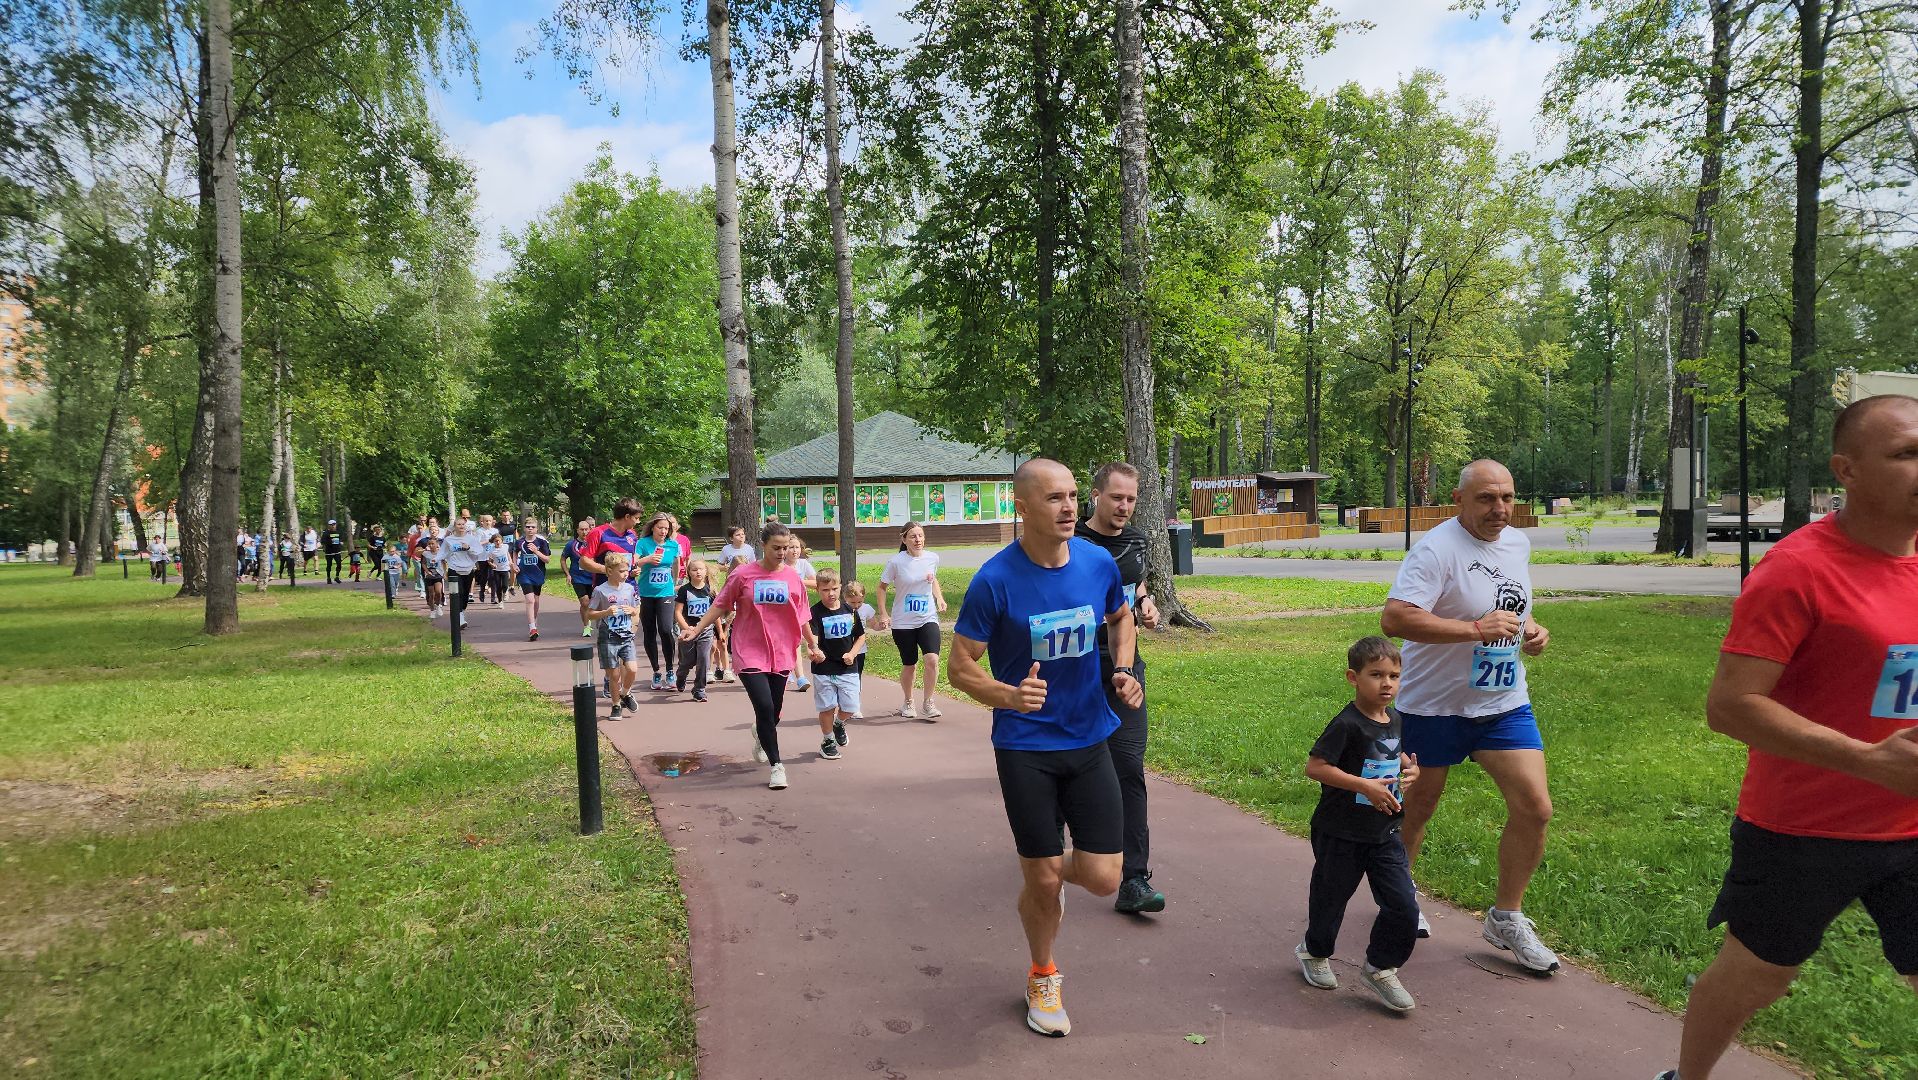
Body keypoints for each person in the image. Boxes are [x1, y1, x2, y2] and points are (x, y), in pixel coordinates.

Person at [1657, 396, 1918, 1080]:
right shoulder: (1799, 569)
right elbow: (1732, 706)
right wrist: (1866, 761)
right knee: (1760, 976)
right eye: (1906, 454)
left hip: (1913, 824)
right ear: (1848, 470)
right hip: (1804, 828)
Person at [947, 458, 1143, 1039]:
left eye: (1072, 497)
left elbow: (1121, 616)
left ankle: (1045, 876)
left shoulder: (1096, 561)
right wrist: (1007, 693)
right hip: (1025, 746)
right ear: (1023, 508)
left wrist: (1124, 670)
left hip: (1089, 737)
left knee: (1106, 878)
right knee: (1044, 881)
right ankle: (1043, 974)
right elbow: (960, 667)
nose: (1066, 508)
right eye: (1053, 498)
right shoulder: (994, 580)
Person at [1381, 459, 1557, 972]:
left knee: (1535, 808)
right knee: (1417, 809)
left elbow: (1508, 606)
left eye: (1506, 497)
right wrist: (1476, 630)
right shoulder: (1436, 549)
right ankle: (1400, 899)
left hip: (1501, 704)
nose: (1499, 509)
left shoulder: (1517, 544)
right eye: (1486, 498)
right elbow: (1395, 618)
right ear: (1459, 500)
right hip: (1432, 704)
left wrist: (1531, 629)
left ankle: (1507, 915)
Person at [1296, 635, 1423, 1013]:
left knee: (1403, 905)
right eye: (1376, 675)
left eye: (1394, 676)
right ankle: (1314, 951)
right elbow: (1315, 767)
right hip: (1341, 832)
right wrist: (1364, 786)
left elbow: (1392, 748)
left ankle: (1381, 967)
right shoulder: (1346, 724)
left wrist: (1409, 768)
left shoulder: (1395, 717)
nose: (1387, 684)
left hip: (1384, 831)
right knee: (1330, 900)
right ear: (1354, 678)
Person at [1075, 462, 1167, 914]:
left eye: (1131, 499)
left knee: (1128, 765)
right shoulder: (1071, 541)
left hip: (1124, 667)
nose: (1124, 507)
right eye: (1116, 498)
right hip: (1073, 669)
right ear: (1096, 496)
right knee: (1070, 759)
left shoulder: (1137, 540)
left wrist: (1145, 603)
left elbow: (1136, 585)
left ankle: (1134, 879)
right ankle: (1054, 834)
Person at [680, 523, 817, 790]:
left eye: (786, 548)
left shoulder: (792, 578)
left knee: (773, 712)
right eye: (776, 548)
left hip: (781, 651)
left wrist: (812, 645)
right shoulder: (743, 575)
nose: (781, 552)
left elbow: (802, 616)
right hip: (749, 649)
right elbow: (720, 604)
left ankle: (761, 732)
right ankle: (777, 766)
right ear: (763, 546)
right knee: (764, 707)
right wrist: (696, 629)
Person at [876, 522, 949, 719]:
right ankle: (908, 701)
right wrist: (883, 613)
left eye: (920, 536)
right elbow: (881, 587)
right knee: (910, 664)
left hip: (928, 617)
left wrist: (939, 598)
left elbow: (932, 579)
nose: (918, 540)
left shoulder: (932, 558)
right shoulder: (896, 562)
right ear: (904, 540)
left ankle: (928, 702)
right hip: (903, 622)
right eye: (913, 537)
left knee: (932, 659)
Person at [808, 567, 867, 760]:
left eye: (834, 589)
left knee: (850, 706)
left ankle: (839, 723)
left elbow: (860, 636)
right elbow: (812, 638)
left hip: (847, 667)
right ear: (818, 590)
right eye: (825, 590)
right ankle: (827, 741)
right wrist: (814, 651)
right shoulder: (815, 612)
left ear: (840, 588)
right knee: (827, 707)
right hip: (823, 669)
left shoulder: (849, 610)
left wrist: (852, 653)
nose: (830, 593)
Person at [579, 499, 643, 641]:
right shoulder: (599, 533)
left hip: (629, 588)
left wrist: (634, 569)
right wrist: (608, 571)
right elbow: (584, 561)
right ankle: (613, 661)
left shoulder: (632, 535)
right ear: (627, 517)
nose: (638, 522)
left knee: (629, 635)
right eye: (636, 518)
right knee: (610, 637)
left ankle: (625, 661)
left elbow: (631, 561)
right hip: (606, 592)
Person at [588, 552, 642, 719]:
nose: (626, 574)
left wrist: (632, 612)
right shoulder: (600, 590)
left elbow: (636, 608)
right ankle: (616, 705)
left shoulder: (630, 588)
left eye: (627, 570)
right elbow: (589, 614)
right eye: (621, 571)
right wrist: (605, 612)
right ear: (609, 571)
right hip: (608, 637)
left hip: (626, 635)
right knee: (614, 675)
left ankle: (625, 693)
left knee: (632, 669)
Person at [635, 512, 683, 690]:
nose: (664, 531)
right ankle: (656, 671)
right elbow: (634, 563)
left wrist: (676, 582)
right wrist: (647, 559)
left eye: (666, 528)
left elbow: (677, 562)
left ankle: (670, 669)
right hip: (646, 593)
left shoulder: (673, 545)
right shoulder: (643, 543)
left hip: (666, 593)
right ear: (652, 527)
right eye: (660, 527)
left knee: (666, 629)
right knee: (649, 632)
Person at [674, 558, 717, 702]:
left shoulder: (710, 590)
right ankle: (681, 676)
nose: (698, 572)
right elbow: (678, 612)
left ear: (706, 571)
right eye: (694, 569)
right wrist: (686, 628)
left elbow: (714, 612)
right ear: (689, 573)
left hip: (705, 631)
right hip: (688, 631)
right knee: (687, 662)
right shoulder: (685, 590)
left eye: (701, 569)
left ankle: (699, 689)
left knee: (703, 660)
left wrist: (720, 632)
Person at [785, 542, 820, 690]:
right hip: (782, 609)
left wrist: (799, 580)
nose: (795, 550)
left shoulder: (803, 564)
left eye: (797, 547)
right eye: (791, 547)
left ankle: (800, 677)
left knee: (797, 641)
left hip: (799, 608)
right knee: (785, 642)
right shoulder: (780, 565)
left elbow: (816, 582)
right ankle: (786, 669)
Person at [514, 519, 551, 641]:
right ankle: (532, 628)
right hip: (524, 574)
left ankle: (534, 622)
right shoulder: (519, 542)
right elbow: (514, 552)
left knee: (535, 600)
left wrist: (536, 551)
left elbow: (547, 559)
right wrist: (514, 565)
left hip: (538, 574)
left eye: (532, 527)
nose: (530, 529)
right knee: (530, 600)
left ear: (536, 529)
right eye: (528, 526)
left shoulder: (542, 542)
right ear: (524, 528)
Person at [442, 518, 481, 629]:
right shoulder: (449, 539)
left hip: (468, 569)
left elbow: (478, 551)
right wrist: (435, 559)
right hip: (454, 568)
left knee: (464, 595)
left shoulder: (471, 539)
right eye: (458, 524)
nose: (461, 526)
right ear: (454, 526)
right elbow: (442, 552)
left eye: (463, 524)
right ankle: (459, 617)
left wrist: (468, 548)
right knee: (457, 593)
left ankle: (461, 612)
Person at [562, 520, 597, 632]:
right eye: (582, 529)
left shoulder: (594, 544)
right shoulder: (571, 545)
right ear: (577, 530)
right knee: (585, 602)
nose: (584, 532)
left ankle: (591, 620)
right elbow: (563, 559)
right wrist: (567, 574)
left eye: (586, 529)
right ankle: (586, 626)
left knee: (592, 603)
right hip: (577, 578)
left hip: (592, 577)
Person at [845, 580, 874, 719]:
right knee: (844, 679)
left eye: (859, 603)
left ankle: (855, 706)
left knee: (856, 678)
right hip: (843, 650)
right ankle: (844, 704)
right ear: (845, 599)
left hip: (860, 650)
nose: (856, 606)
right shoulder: (841, 609)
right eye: (852, 603)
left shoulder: (867, 609)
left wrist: (883, 624)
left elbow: (874, 625)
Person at [486, 525, 513, 608]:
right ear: (493, 542)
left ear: (502, 541)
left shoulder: (505, 546)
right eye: (496, 541)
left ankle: (506, 592)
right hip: (497, 570)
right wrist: (492, 564)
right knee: (498, 586)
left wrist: (510, 561)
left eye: (499, 541)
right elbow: (489, 560)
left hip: (505, 569)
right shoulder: (491, 551)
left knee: (505, 585)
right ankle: (500, 602)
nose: (497, 542)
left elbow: (507, 554)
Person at [419, 535, 446, 617]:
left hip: (438, 575)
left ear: (437, 544)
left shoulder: (441, 553)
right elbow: (423, 563)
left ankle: (438, 606)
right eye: (429, 544)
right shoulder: (426, 553)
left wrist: (445, 573)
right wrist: (427, 571)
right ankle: (432, 610)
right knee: (431, 594)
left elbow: (444, 563)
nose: (431, 546)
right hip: (429, 575)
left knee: (438, 592)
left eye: (432, 544)